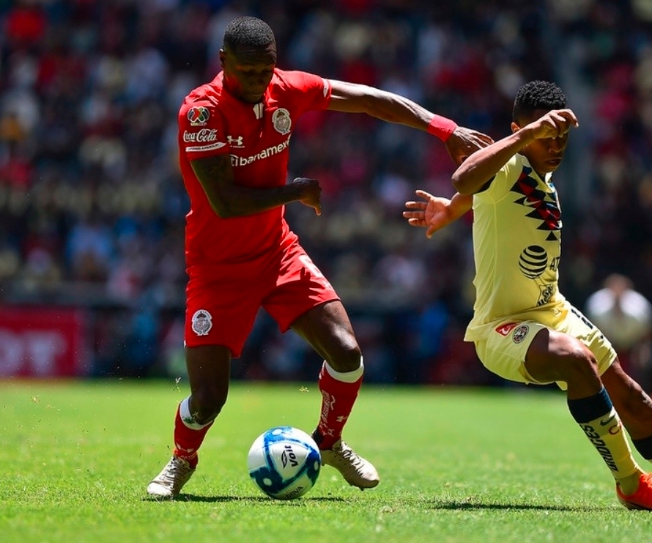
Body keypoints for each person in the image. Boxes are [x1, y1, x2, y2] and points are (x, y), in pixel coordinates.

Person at [146, 16, 492, 498]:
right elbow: (224, 202)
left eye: (264, 71)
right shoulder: (200, 111)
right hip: (217, 269)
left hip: (276, 253)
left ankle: (328, 442)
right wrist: (295, 190)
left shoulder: (285, 89)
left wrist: (444, 128)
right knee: (207, 400)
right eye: (246, 73)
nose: (257, 82)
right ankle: (181, 461)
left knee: (348, 354)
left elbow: (369, 99)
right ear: (222, 62)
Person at [403, 80, 652, 512]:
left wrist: (452, 208)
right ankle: (631, 483)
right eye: (547, 133)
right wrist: (522, 140)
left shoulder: (543, 183)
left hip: (552, 311)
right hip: (502, 326)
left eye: (562, 135)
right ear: (519, 129)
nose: (556, 144)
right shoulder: (508, 164)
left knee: (631, 395)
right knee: (575, 360)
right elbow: (465, 175)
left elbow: (474, 194)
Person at [584, 274, 652, 392]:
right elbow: (589, 334)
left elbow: (647, 334)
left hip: (633, 344)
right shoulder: (597, 309)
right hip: (605, 342)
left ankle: (642, 392)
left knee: (647, 357)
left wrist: (643, 351)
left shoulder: (639, 310)